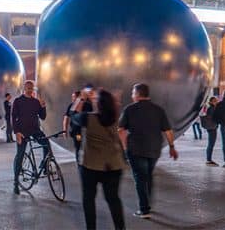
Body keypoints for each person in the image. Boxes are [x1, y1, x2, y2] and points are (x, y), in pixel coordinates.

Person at [117, 82, 177, 219]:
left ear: (137, 94)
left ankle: (144, 209)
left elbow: (120, 129)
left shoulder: (129, 110)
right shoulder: (158, 110)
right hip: (154, 150)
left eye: (133, 92)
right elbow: (168, 130)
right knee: (148, 175)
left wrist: (125, 147)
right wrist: (172, 147)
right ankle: (147, 201)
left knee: (139, 178)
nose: (132, 95)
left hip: (136, 150)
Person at [73, 88, 127, 230]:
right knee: (113, 200)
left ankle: (91, 228)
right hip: (113, 166)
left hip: (90, 166)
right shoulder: (115, 118)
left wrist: (81, 99)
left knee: (89, 199)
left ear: (99, 104)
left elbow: (73, 115)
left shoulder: (88, 118)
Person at [11, 80, 49, 195]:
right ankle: (16, 182)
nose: (30, 89)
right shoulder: (18, 101)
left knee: (46, 143)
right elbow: (13, 117)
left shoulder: (36, 102)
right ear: (24, 88)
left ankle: (43, 165)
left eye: (31, 88)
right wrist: (17, 132)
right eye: (28, 87)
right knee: (20, 155)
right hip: (22, 132)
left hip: (35, 130)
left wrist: (43, 107)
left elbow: (42, 117)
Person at [200, 96, 219, 165]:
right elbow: (213, 117)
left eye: (216, 101)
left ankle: (209, 159)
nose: (216, 102)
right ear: (211, 102)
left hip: (211, 127)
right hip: (212, 128)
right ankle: (208, 160)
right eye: (215, 101)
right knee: (211, 144)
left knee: (211, 144)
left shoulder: (211, 108)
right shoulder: (212, 108)